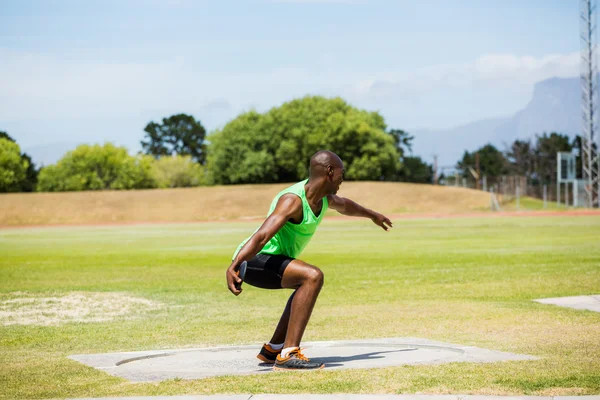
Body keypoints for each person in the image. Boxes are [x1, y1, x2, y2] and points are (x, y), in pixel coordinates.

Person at [226, 150, 392, 371]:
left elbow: (345, 205)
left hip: (269, 259)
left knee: (304, 284)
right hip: (254, 259)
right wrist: (235, 264)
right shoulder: (292, 200)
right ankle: (289, 355)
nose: (344, 177)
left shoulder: (324, 199)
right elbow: (262, 236)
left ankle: (274, 349)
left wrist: (373, 215)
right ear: (330, 171)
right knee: (312, 276)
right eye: (342, 172)